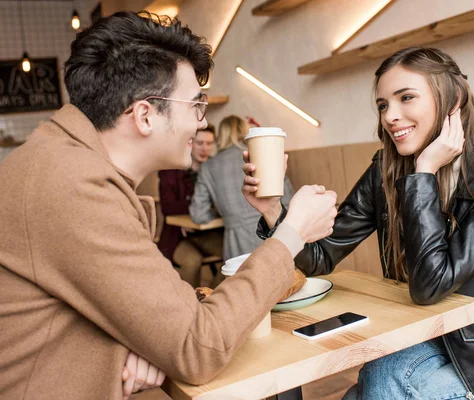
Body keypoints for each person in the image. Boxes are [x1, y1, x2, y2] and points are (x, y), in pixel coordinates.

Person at [0, 11, 337, 400]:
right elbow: (199, 348)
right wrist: (292, 232)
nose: (200, 122)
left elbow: (163, 327)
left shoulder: (60, 162)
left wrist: (149, 341)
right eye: (195, 105)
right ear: (145, 115)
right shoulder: (73, 186)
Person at [243, 47, 474, 400]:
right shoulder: (385, 172)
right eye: (382, 105)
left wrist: (424, 172)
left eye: (406, 98)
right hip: (434, 339)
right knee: (374, 380)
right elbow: (318, 257)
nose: (390, 116)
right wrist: (273, 211)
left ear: (453, 99)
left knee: (376, 387)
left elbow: (431, 283)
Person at [190, 115, 294, 260]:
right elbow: (288, 201)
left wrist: (222, 213)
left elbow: (198, 214)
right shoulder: (261, 156)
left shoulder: (208, 167)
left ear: (221, 136)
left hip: (236, 244)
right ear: (245, 132)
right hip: (272, 236)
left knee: (240, 281)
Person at [157, 123, 224, 287]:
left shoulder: (215, 168)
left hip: (209, 232)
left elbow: (222, 202)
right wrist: (199, 210)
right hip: (179, 234)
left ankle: (213, 301)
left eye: (209, 144)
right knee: (191, 261)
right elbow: (168, 207)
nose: (205, 149)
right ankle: (189, 304)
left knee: (233, 255)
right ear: (190, 143)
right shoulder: (171, 170)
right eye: (200, 143)